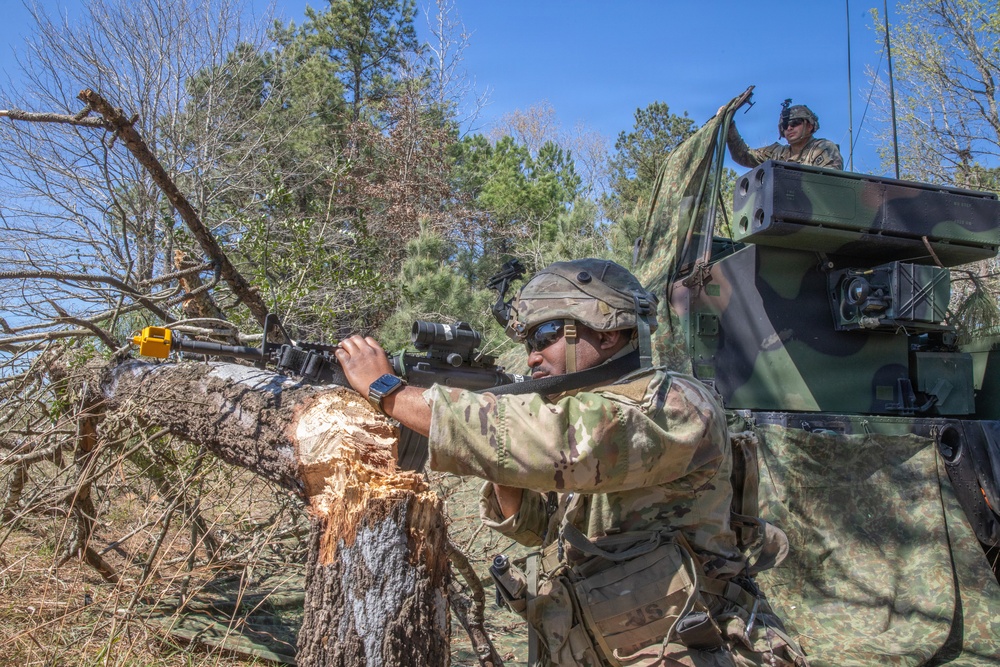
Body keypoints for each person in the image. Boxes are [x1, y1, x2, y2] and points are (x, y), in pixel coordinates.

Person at [335, 259, 807, 667]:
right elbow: (537, 530)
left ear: (606, 329)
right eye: (527, 343)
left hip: (693, 646)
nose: (533, 355)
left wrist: (388, 390)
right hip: (607, 644)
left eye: (544, 334)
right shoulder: (580, 410)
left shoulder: (675, 403)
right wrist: (501, 463)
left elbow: (564, 442)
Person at [726, 102, 843, 170]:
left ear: (809, 126)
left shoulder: (822, 149)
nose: (789, 128)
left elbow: (829, 185)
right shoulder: (776, 153)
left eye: (795, 123)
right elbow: (744, 155)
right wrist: (729, 125)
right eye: (785, 125)